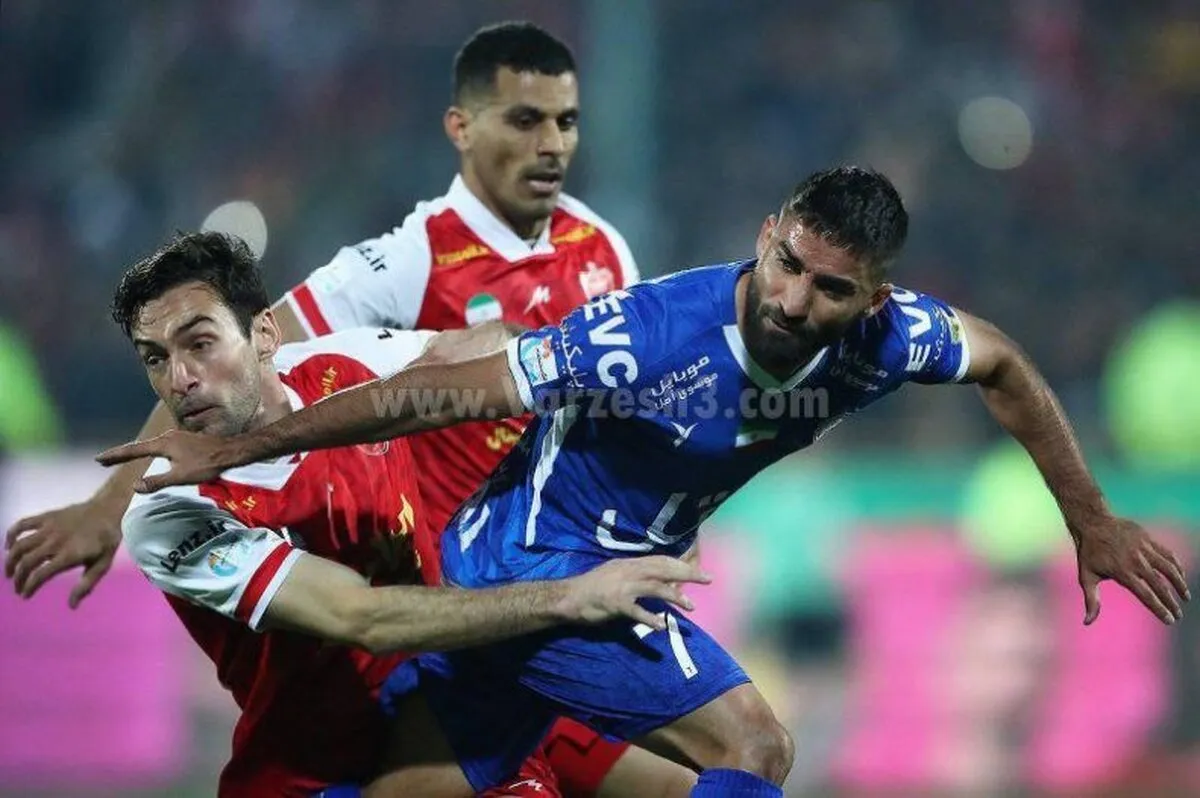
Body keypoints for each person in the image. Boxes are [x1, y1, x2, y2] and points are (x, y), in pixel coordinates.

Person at [101, 166, 1191, 798]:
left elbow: (1000, 361)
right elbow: (441, 397)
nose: (794, 301)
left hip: (579, 571)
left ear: (873, 298)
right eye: (787, 264)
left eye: (830, 288)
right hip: (540, 564)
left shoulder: (892, 340)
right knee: (754, 749)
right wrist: (232, 450)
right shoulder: (651, 335)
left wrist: (1090, 519)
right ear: (765, 238)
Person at [5, 21, 681, 797]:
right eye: (525, 120)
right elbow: (227, 382)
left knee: (723, 760)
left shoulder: (603, 251)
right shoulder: (406, 259)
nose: (551, 144)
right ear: (461, 127)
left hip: (507, 607)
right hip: (428, 634)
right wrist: (109, 505)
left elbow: (531, 374)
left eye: (565, 121)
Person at [103, 230, 706, 797]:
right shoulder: (167, 513)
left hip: (453, 701)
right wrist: (571, 596)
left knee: (699, 774)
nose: (180, 379)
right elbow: (361, 617)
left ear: (263, 333)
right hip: (321, 771)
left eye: (200, 344)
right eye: (155, 358)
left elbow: (486, 349)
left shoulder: (344, 371)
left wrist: (639, 444)